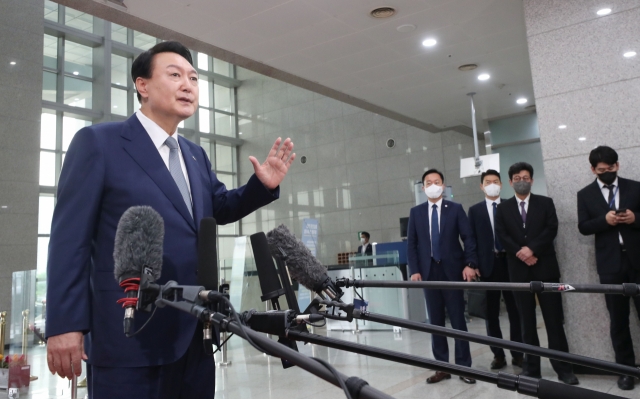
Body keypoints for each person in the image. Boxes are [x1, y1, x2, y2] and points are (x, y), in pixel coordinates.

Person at [45, 41, 295, 399]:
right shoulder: (98, 143)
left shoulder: (194, 155)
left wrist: (260, 186)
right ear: (142, 85)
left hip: (195, 331)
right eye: (175, 75)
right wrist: (65, 325)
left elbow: (219, 208)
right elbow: (70, 240)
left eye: (193, 78)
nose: (187, 85)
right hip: (128, 336)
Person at [494, 162, 578, 385]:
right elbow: (502, 235)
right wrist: (521, 253)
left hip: (545, 269)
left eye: (526, 177)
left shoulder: (545, 203)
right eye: (517, 178)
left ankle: (563, 369)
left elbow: (551, 228)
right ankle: (532, 369)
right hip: (519, 271)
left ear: (532, 179)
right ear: (510, 182)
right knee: (526, 322)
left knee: (553, 321)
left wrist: (532, 249)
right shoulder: (502, 208)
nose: (522, 181)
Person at [407, 169, 478, 385]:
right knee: (435, 323)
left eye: (436, 182)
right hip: (429, 273)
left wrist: (470, 264)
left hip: (453, 272)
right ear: (423, 187)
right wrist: (415, 270)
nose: (433, 185)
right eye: (429, 182)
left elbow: (468, 237)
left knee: (458, 321)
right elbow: (412, 244)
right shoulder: (416, 212)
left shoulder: (455, 209)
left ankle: (464, 367)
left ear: (443, 185)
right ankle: (442, 367)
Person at [577, 146, 640, 391]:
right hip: (610, 265)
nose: (607, 173)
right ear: (593, 169)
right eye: (602, 170)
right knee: (618, 319)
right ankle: (625, 370)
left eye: (611, 169)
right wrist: (605, 221)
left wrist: (635, 218)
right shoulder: (585, 194)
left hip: (637, 260)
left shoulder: (635, 187)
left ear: (618, 165)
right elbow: (583, 226)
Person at [467, 169, 524, 370]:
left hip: (511, 264)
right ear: (482, 186)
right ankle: (498, 354)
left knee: (515, 311)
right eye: (488, 182)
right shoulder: (474, 211)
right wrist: (473, 263)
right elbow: (471, 240)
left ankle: (518, 353)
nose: (492, 184)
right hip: (488, 266)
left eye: (495, 181)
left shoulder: (511, 206)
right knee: (491, 314)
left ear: (501, 184)